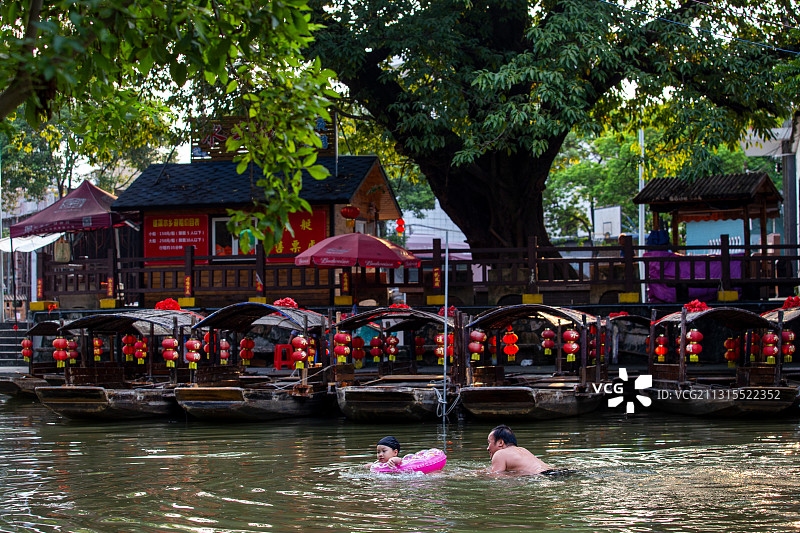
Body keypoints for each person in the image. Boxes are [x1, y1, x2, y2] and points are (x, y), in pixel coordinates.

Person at [486, 425, 557, 475]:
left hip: (542, 476)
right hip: (555, 472)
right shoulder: (522, 450)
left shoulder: (500, 453)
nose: (488, 448)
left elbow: (496, 477)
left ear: (500, 442)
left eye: (489, 443)